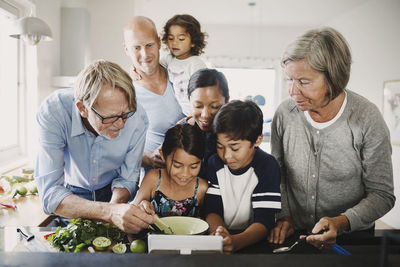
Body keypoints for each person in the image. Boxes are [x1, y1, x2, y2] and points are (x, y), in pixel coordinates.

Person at [268, 27, 395, 249]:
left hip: (353, 241)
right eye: (290, 79)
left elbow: (382, 194)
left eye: (304, 82)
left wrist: (340, 222)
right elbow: (278, 176)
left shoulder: (367, 118)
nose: (292, 91)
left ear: (333, 77)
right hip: (295, 237)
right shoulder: (284, 115)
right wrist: (285, 216)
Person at [35, 60, 154, 233]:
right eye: (111, 117)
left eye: (125, 114)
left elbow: (128, 178)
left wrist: (114, 212)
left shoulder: (137, 117)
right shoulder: (54, 111)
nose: (121, 125)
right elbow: (50, 195)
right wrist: (109, 212)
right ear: (83, 108)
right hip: (71, 196)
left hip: (114, 192)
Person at [205, 100, 281, 253]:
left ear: (257, 140)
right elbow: (212, 210)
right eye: (220, 147)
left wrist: (235, 241)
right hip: (222, 240)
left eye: (235, 147)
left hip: (253, 242)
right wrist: (219, 234)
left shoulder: (267, 166)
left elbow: (264, 221)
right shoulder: (215, 163)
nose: (226, 156)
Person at [123, 16, 185, 169]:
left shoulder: (179, 73)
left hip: (193, 176)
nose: (145, 54)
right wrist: (147, 158)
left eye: (149, 45)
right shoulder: (126, 94)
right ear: (126, 49)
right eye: (136, 48)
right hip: (155, 182)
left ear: (158, 42)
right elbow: (116, 149)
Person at [132, 124, 208, 217]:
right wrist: (142, 206)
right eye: (177, 166)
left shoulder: (201, 188)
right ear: (163, 155)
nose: (185, 174)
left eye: (193, 167)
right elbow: (133, 211)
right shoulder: (153, 179)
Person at [181, 68, 230, 176]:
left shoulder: (237, 134)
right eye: (198, 106)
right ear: (189, 101)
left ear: (227, 102)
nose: (205, 115)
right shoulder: (181, 131)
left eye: (214, 106)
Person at [160, 14, 208, 116]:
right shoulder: (169, 59)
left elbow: (203, 93)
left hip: (196, 114)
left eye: (181, 39)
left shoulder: (196, 63)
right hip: (180, 114)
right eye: (171, 38)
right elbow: (152, 66)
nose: (174, 43)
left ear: (193, 42)